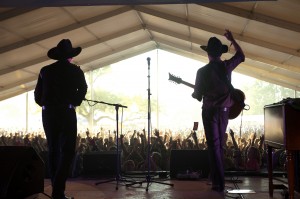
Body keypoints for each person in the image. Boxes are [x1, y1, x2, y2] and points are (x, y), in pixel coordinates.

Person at [192, 29, 245, 193]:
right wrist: (232, 39)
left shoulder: (201, 72)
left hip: (209, 112)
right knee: (219, 147)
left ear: (208, 54)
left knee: (213, 147)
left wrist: (195, 92)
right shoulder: (226, 66)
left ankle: (218, 183)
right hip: (224, 112)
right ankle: (217, 180)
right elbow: (241, 55)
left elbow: (197, 95)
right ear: (220, 53)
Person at [34, 39, 87, 199]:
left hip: (48, 114)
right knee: (68, 151)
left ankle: (57, 189)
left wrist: (45, 104)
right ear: (70, 55)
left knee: (53, 150)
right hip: (66, 112)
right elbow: (83, 89)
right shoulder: (75, 71)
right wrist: (74, 101)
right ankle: (58, 190)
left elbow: (37, 95)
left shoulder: (45, 70)